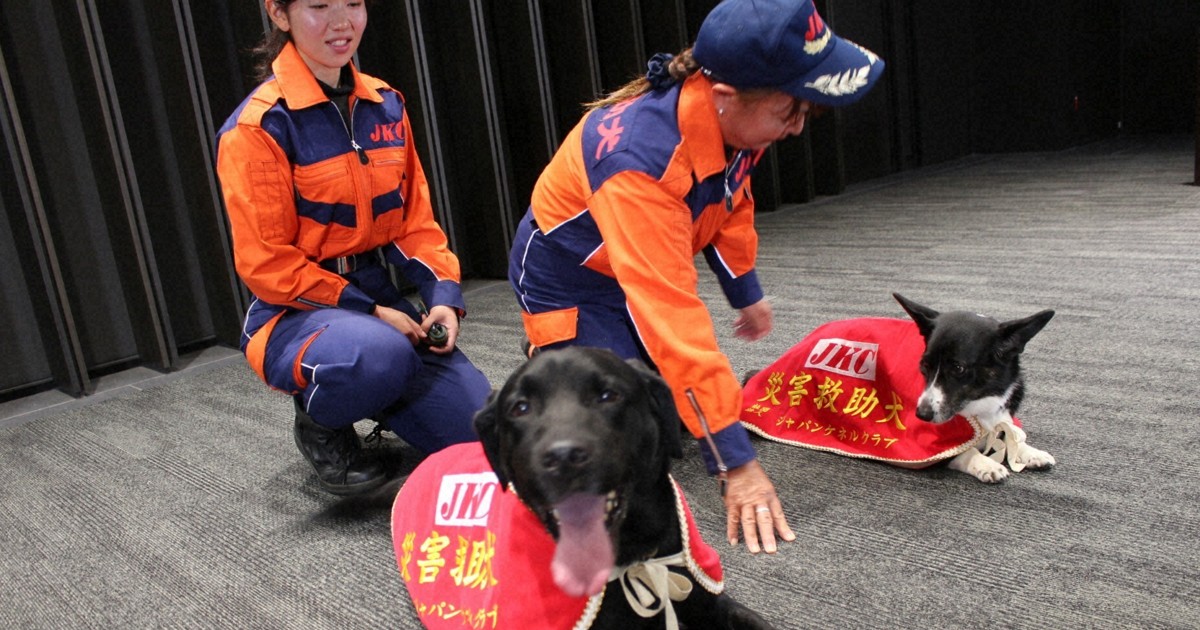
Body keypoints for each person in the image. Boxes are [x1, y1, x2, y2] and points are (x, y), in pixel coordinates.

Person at [508, 0, 884, 553]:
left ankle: (591, 349)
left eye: (809, 112)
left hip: (641, 259)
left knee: (669, 412)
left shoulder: (731, 124)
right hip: (571, 279)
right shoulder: (641, 164)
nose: (799, 128)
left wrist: (745, 291)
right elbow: (674, 321)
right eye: (791, 112)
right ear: (726, 96)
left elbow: (730, 202)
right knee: (617, 431)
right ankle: (553, 346)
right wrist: (737, 467)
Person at [215, 0, 490, 496]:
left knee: (480, 435)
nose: (342, 23)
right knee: (377, 353)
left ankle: (381, 388)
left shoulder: (386, 104)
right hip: (293, 311)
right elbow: (268, 266)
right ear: (278, 14)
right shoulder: (258, 128)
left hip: (374, 293)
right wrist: (373, 312)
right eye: (319, 6)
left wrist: (444, 297)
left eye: (354, 4)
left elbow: (415, 224)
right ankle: (323, 422)